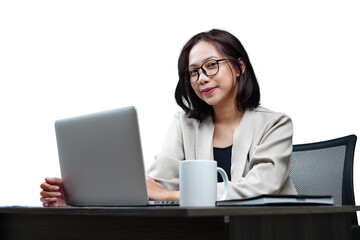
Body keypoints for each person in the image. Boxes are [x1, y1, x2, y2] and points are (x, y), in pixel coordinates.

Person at [40, 29, 297, 207]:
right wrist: (79, 194)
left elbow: (260, 188)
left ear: (240, 67)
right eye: (193, 72)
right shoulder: (185, 124)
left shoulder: (276, 124)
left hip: (270, 229)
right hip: (208, 230)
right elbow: (156, 183)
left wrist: (173, 195)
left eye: (211, 65)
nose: (202, 78)